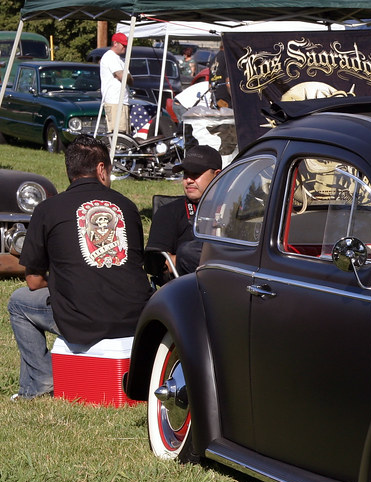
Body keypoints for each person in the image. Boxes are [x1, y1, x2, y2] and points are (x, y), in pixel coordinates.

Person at [7, 135, 151, 401]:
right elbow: (132, 265)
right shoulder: (128, 207)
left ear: (69, 170)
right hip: (136, 317)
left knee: (18, 302)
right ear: (100, 169)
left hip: (85, 320)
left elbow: (33, 282)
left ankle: (38, 386)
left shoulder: (48, 209)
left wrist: (63, 280)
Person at [146, 145, 222, 279]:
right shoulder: (169, 212)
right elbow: (157, 264)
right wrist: (186, 257)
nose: (189, 180)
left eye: (196, 174)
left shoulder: (233, 209)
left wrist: (177, 259)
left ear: (217, 175)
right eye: (186, 174)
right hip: (186, 288)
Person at [99, 32, 134, 134]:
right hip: (114, 101)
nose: (125, 48)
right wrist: (124, 76)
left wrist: (125, 76)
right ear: (115, 43)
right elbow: (122, 76)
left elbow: (130, 80)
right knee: (118, 134)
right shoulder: (110, 57)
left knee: (125, 133)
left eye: (126, 45)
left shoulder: (120, 60)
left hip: (122, 101)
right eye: (123, 45)